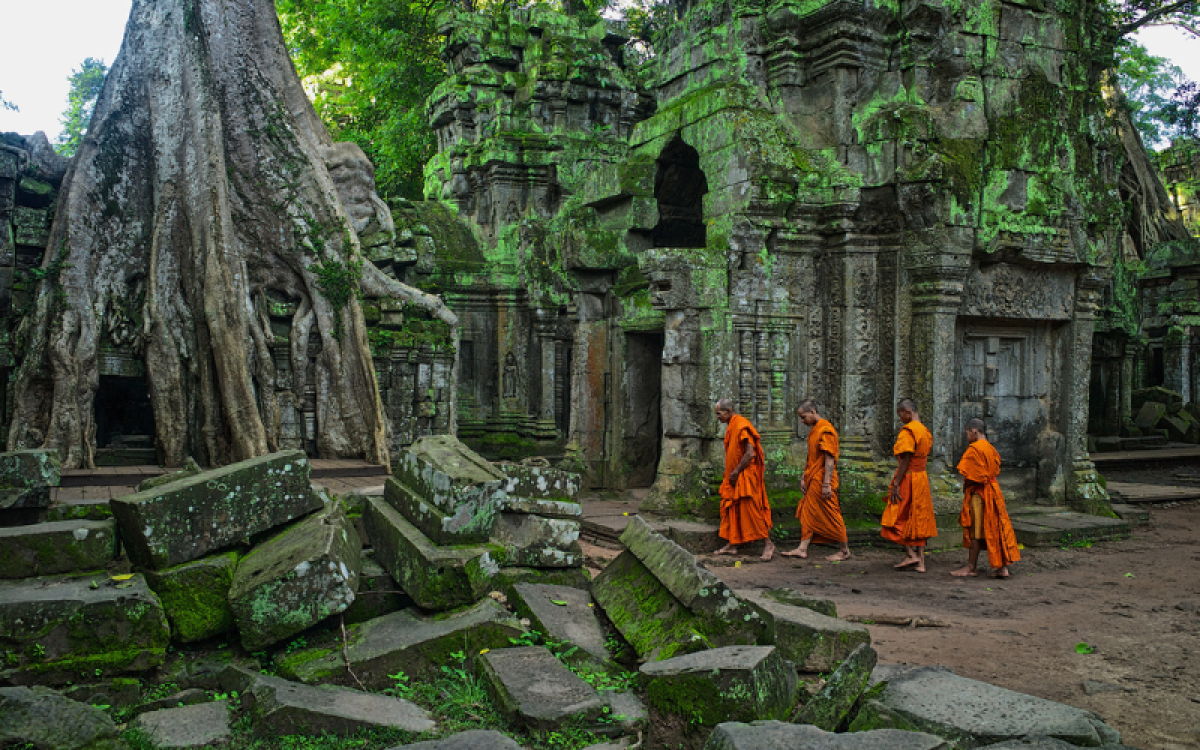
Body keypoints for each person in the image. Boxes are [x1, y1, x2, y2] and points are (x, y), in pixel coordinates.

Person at [782, 400, 851, 561]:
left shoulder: (826, 430)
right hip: (813, 477)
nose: (802, 421)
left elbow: (829, 458)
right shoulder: (815, 430)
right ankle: (802, 548)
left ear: (813, 411)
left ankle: (844, 550)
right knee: (808, 511)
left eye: (804, 417)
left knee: (831, 511)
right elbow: (812, 457)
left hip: (822, 479)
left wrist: (826, 483)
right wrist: (803, 477)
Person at [952, 418, 1021, 578]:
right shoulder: (991, 448)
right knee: (996, 526)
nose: (967, 436)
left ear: (974, 432)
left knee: (975, 529)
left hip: (980, 493)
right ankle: (1002, 568)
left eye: (967, 433)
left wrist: (967, 486)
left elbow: (973, 476)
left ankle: (971, 567)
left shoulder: (974, 449)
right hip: (993, 490)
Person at [713, 398, 775, 561]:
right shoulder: (731, 426)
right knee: (731, 509)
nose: (717, 417)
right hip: (734, 476)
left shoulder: (741, 425)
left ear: (728, 411)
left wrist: (736, 472)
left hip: (744, 475)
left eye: (719, 414)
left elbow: (750, 453)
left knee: (751, 510)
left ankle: (768, 544)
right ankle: (732, 545)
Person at [881, 398, 938, 572]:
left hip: (909, 477)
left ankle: (910, 554)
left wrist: (896, 483)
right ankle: (920, 562)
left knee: (897, 514)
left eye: (901, 415)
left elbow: (905, 459)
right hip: (921, 478)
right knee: (919, 517)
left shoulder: (909, 431)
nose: (901, 419)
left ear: (908, 412)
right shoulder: (925, 431)